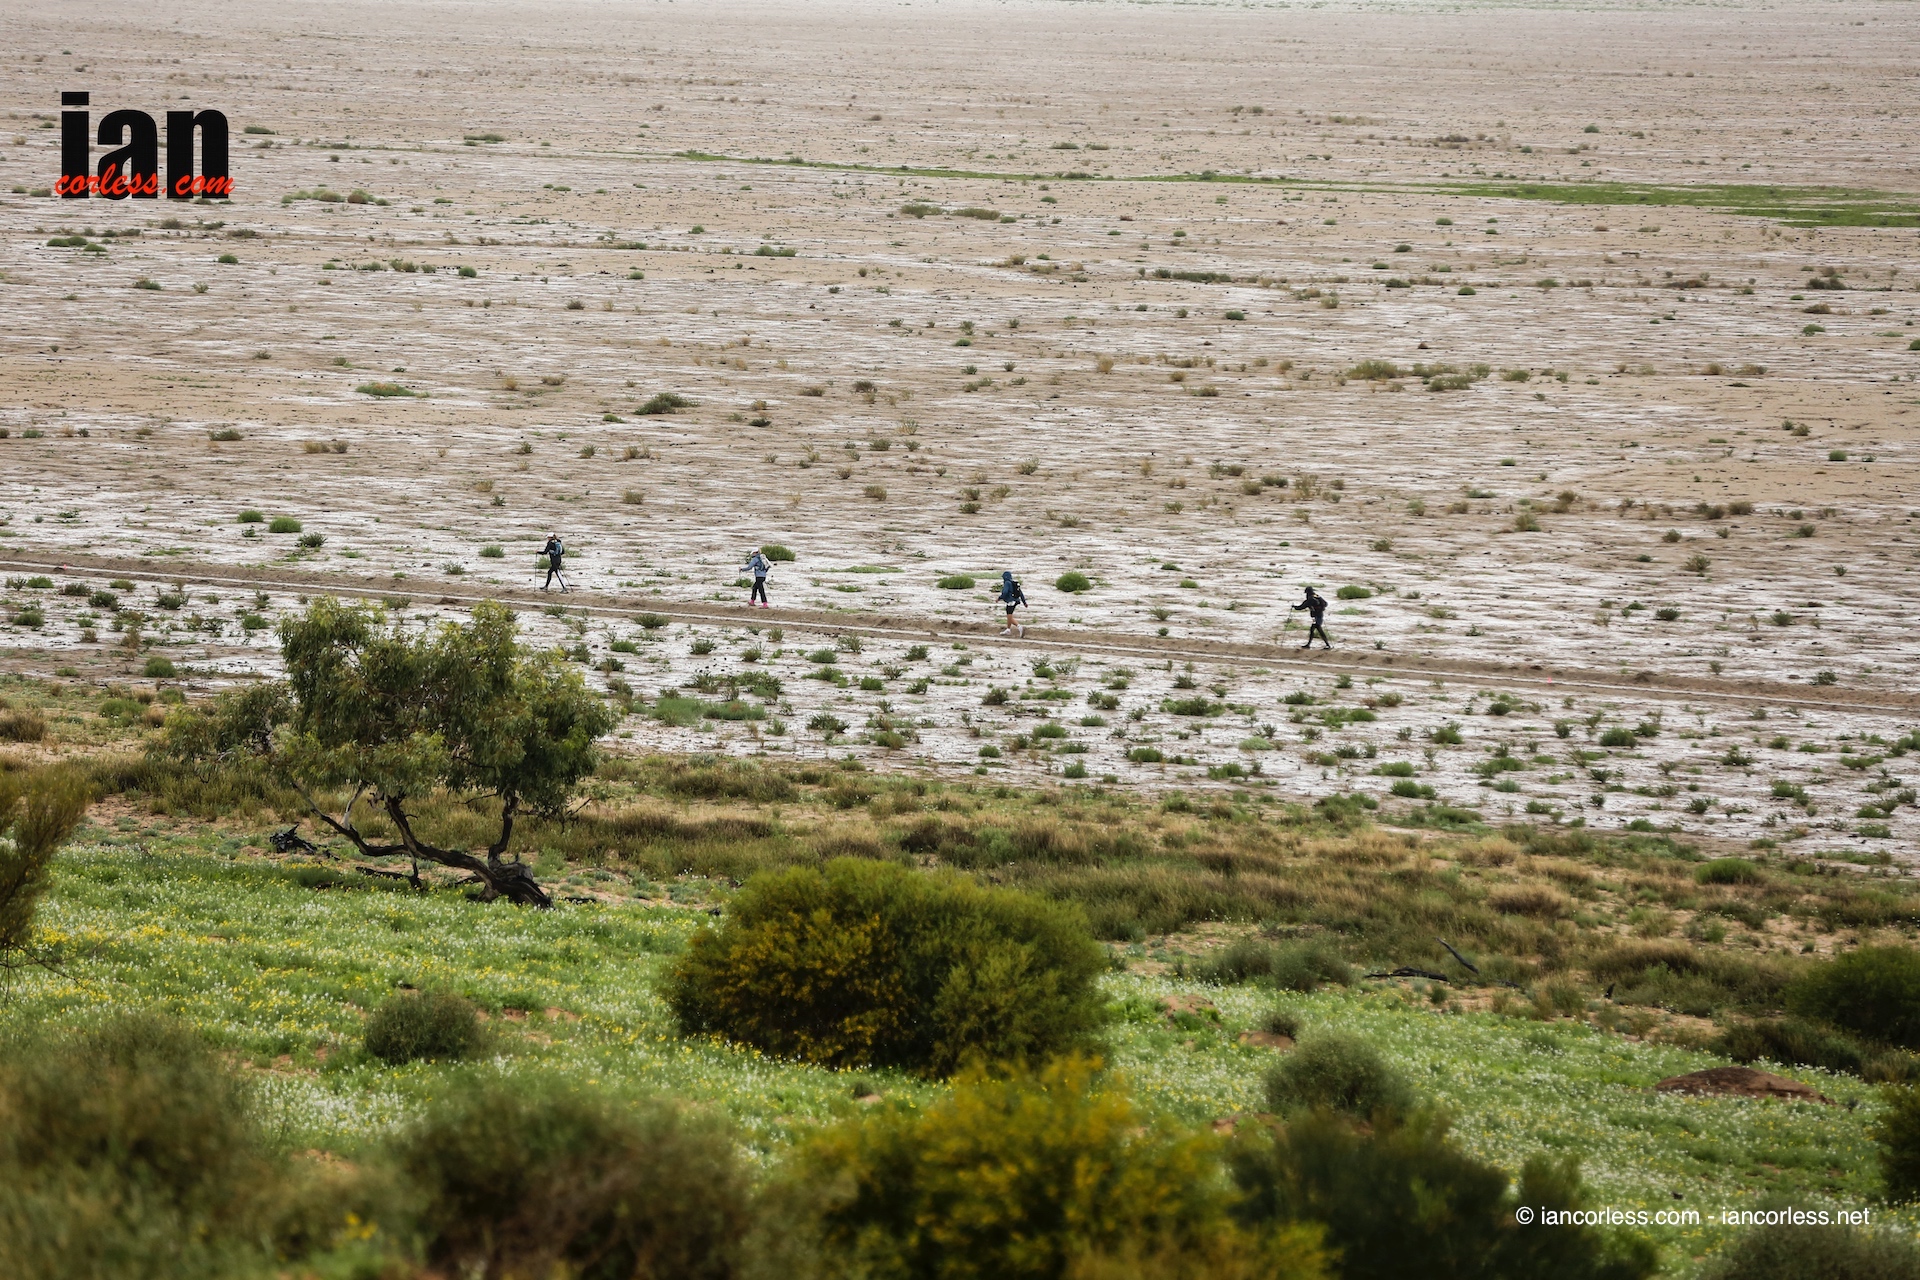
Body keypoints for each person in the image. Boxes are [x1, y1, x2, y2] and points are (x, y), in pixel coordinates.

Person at [1291, 585, 1330, 649]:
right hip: (1318, 615)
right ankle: (1309, 644)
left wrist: (1294, 607)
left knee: (1317, 629)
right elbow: (1326, 603)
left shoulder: (1311, 599)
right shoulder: (1317, 596)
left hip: (1317, 616)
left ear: (1307, 593)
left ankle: (1327, 645)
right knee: (1313, 629)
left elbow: (1301, 607)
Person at [997, 570, 1027, 637]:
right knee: (1009, 615)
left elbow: (1005, 592)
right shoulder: (1014, 583)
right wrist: (1024, 602)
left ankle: (1019, 627)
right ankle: (1008, 630)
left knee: (1009, 616)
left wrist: (999, 598)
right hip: (1016, 601)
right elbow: (1021, 593)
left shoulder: (1007, 583)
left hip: (1011, 601)